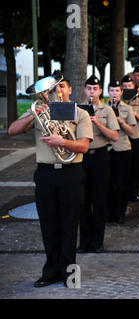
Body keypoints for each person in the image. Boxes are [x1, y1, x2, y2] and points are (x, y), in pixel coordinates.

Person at [8, 71, 93, 287]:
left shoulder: (80, 113)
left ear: (70, 90)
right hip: (45, 173)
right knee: (48, 225)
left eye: (62, 86)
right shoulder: (40, 112)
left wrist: (61, 142)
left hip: (71, 174)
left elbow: (83, 145)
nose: (58, 91)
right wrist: (31, 113)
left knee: (69, 224)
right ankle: (51, 271)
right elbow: (12, 130)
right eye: (55, 88)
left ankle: (68, 272)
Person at [78, 75, 119, 253]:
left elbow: (115, 136)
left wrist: (97, 123)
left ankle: (98, 242)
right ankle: (84, 241)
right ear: (85, 90)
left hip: (100, 157)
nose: (91, 92)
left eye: (95, 89)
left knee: (99, 200)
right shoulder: (78, 109)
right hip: (82, 157)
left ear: (100, 91)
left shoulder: (107, 110)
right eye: (89, 88)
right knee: (83, 201)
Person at [106, 80, 136, 224]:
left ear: (121, 92)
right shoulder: (103, 108)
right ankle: (109, 212)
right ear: (107, 92)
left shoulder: (127, 108)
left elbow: (132, 131)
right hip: (107, 149)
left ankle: (120, 213)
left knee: (122, 183)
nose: (114, 94)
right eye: (112, 91)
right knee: (108, 183)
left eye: (117, 91)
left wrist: (120, 121)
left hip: (123, 148)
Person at [121, 75, 139, 202]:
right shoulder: (119, 100)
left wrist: (134, 114)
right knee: (124, 167)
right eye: (125, 86)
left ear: (134, 86)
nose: (128, 88)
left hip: (136, 136)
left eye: (130, 86)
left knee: (135, 165)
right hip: (122, 138)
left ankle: (134, 193)